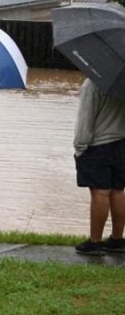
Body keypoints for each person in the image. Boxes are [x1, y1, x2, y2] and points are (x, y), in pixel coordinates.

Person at [73, 78, 125, 255]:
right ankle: (117, 239)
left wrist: (80, 147)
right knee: (118, 191)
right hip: (122, 144)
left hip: (97, 145)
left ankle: (95, 242)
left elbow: (85, 118)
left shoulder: (93, 84)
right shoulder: (122, 82)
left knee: (100, 192)